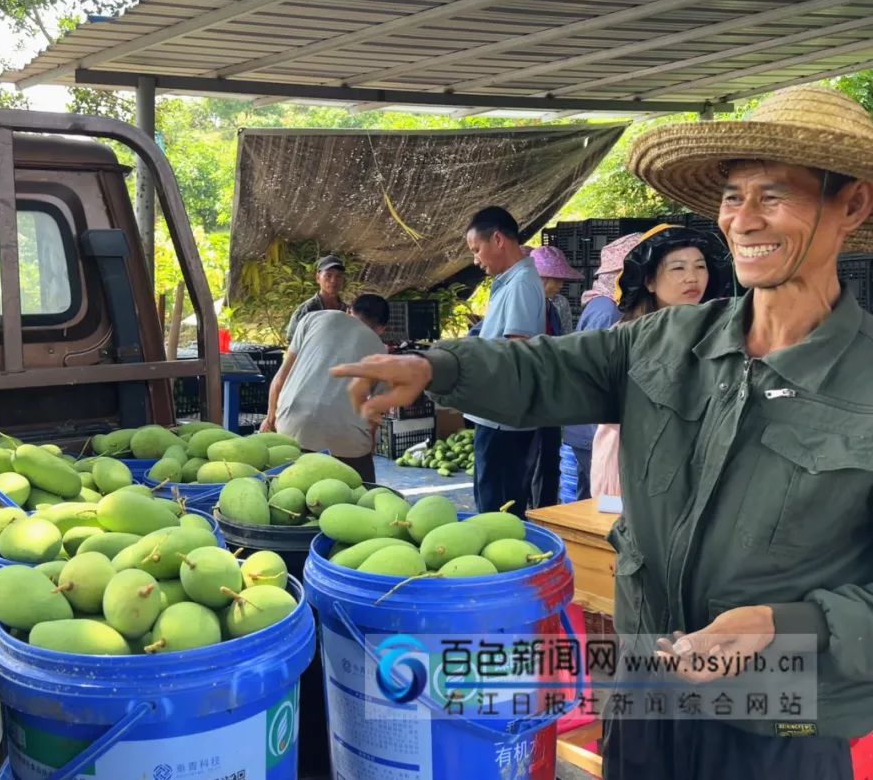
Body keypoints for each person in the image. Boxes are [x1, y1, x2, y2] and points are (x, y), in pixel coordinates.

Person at [332, 85, 873, 779]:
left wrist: (785, 627)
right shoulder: (666, 342)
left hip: (780, 722)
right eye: (735, 196)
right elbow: (541, 370)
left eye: (775, 195)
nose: (744, 219)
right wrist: (434, 366)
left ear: (851, 205)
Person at [589, 224, 732, 498]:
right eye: (678, 268)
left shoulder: (716, 335)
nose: (692, 277)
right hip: (630, 466)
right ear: (650, 281)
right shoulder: (624, 339)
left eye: (700, 267)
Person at [462, 206, 546, 517]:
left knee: (498, 512)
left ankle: (506, 567)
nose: (475, 259)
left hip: (503, 418)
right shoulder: (511, 282)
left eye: (476, 249)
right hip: (497, 414)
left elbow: (516, 351)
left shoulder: (522, 284)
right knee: (494, 503)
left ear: (497, 239)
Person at [262, 293, 388, 483]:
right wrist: (366, 451)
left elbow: (280, 378)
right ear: (381, 328)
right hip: (345, 440)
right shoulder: (381, 352)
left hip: (293, 427)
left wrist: (270, 420)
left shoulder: (313, 318)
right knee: (362, 492)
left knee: (285, 488)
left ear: (349, 311)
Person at [561, 232, 640, 500]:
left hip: (592, 427)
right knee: (601, 505)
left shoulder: (614, 308)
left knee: (587, 503)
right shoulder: (609, 312)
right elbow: (598, 376)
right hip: (593, 429)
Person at [525, 245, 582, 507]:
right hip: (527, 395)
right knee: (527, 459)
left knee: (549, 458)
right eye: (553, 278)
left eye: (561, 278)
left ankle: (545, 511)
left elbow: (565, 343)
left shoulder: (557, 306)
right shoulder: (522, 303)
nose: (559, 284)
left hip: (550, 393)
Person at [284, 254, 349, 344]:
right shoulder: (307, 310)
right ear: (318, 278)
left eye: (338, 276)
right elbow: (292, 343)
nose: (333, 280)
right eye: (328, 275)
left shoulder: (347, 310)